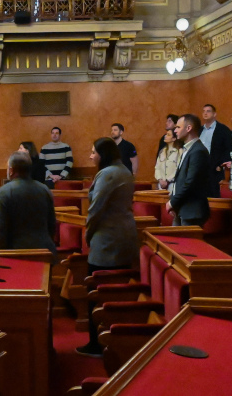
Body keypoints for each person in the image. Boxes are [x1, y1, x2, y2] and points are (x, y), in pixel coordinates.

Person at [76, 137, 138, 358]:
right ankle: (113, 341)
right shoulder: (124, 170)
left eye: (94, 152)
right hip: (124, 237)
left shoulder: (108, 173)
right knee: (116, 291)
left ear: (103, 154)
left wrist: (87, 234)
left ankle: (96, 343)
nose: (91, 156)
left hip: (107, 241)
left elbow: (95, 209)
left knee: (97, 290)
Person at [0, 152, 57, 257]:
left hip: (16, 254)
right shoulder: (45, 189)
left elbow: (0, 230)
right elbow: (52, 225)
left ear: (11, 170)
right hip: (45, 252)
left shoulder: (3, 192)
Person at [167, 114, 215, 226]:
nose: (175, 130)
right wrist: (175, 203)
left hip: (192, 211)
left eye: (178, 127)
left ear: (188, 128)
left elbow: (190, 182)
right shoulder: (188, 149)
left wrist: (173, 202)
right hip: (182, 209)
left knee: (187, 243)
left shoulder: (198, 151)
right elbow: (180, 180)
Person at [199, 103, 232, 191]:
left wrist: (220, 165)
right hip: (200, 168)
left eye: (208, 111)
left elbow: (228, 149)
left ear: (214, 114)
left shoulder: (223, 130)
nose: (205, 113)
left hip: (215, 169)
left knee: (214, 196)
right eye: (204, 111)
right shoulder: (199, 130)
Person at [154, 127, 181, 194]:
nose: (165, 136)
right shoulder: (162, 151)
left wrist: (168, 180)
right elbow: (157, 167)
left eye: (168, 135)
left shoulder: (179, 152)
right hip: (161, 185)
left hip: (173, 184)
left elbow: (179, 168)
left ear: (174, 138)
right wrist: (160, 179)